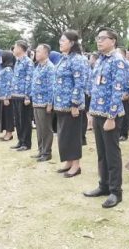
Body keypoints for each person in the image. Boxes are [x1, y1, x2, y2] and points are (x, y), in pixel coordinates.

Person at [83, 28, 126, 208]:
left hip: (110, 114)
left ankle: (116, 191)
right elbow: (95, 88)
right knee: (101, 153)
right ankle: (104, 185)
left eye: (103, 38)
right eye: (97, 38)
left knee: (112, 154)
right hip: (98, 112)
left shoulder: (118, 60)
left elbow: (118, 89)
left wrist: (111, 116)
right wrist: (91, 113)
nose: (99, 41)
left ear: (113, 40)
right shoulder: (101, 59)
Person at [52, 31, 86, 177]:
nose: (60, 43)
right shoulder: (63, 58)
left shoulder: (77, 59)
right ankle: (68, 161)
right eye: (60, 40)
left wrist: (75, 104)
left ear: (72, 43)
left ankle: (76, 166)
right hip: (60, 104)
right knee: (63, 135)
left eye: (63, 40)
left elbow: (79, 83)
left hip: (71, 105)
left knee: (72, 135)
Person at [30, 44, 55, 162]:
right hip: (36, 102)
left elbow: (52, 87)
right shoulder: (38, 66)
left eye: (39, 51)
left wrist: (50, 103)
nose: (36, 53)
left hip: (44, 103)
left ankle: (47, 152)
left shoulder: (50, 67)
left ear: (46, 53)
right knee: (39, 128)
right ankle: (41, 150)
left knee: (46, 128)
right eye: (36, 51)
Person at [10, 41, 34, 152]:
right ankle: (20, 140)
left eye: (15, 48)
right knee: (18, 120)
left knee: (24, 120)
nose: (13, 50)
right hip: (15, 94)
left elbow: (29, 79)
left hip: (23, 96)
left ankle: (26, 143)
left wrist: (27, 96)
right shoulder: (17, 62)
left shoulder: (28, 62)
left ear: (20, 48)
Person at [0, 50, 15, 142]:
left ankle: (9, 133)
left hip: (6, 97)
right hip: (1, 96)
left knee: (8, 115)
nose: (0, 59)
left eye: (2, 57)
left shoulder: (8, 69)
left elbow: (9, 84)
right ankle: (6, 132)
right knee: (4, 115)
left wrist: (6, 97)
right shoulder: (2, 67)